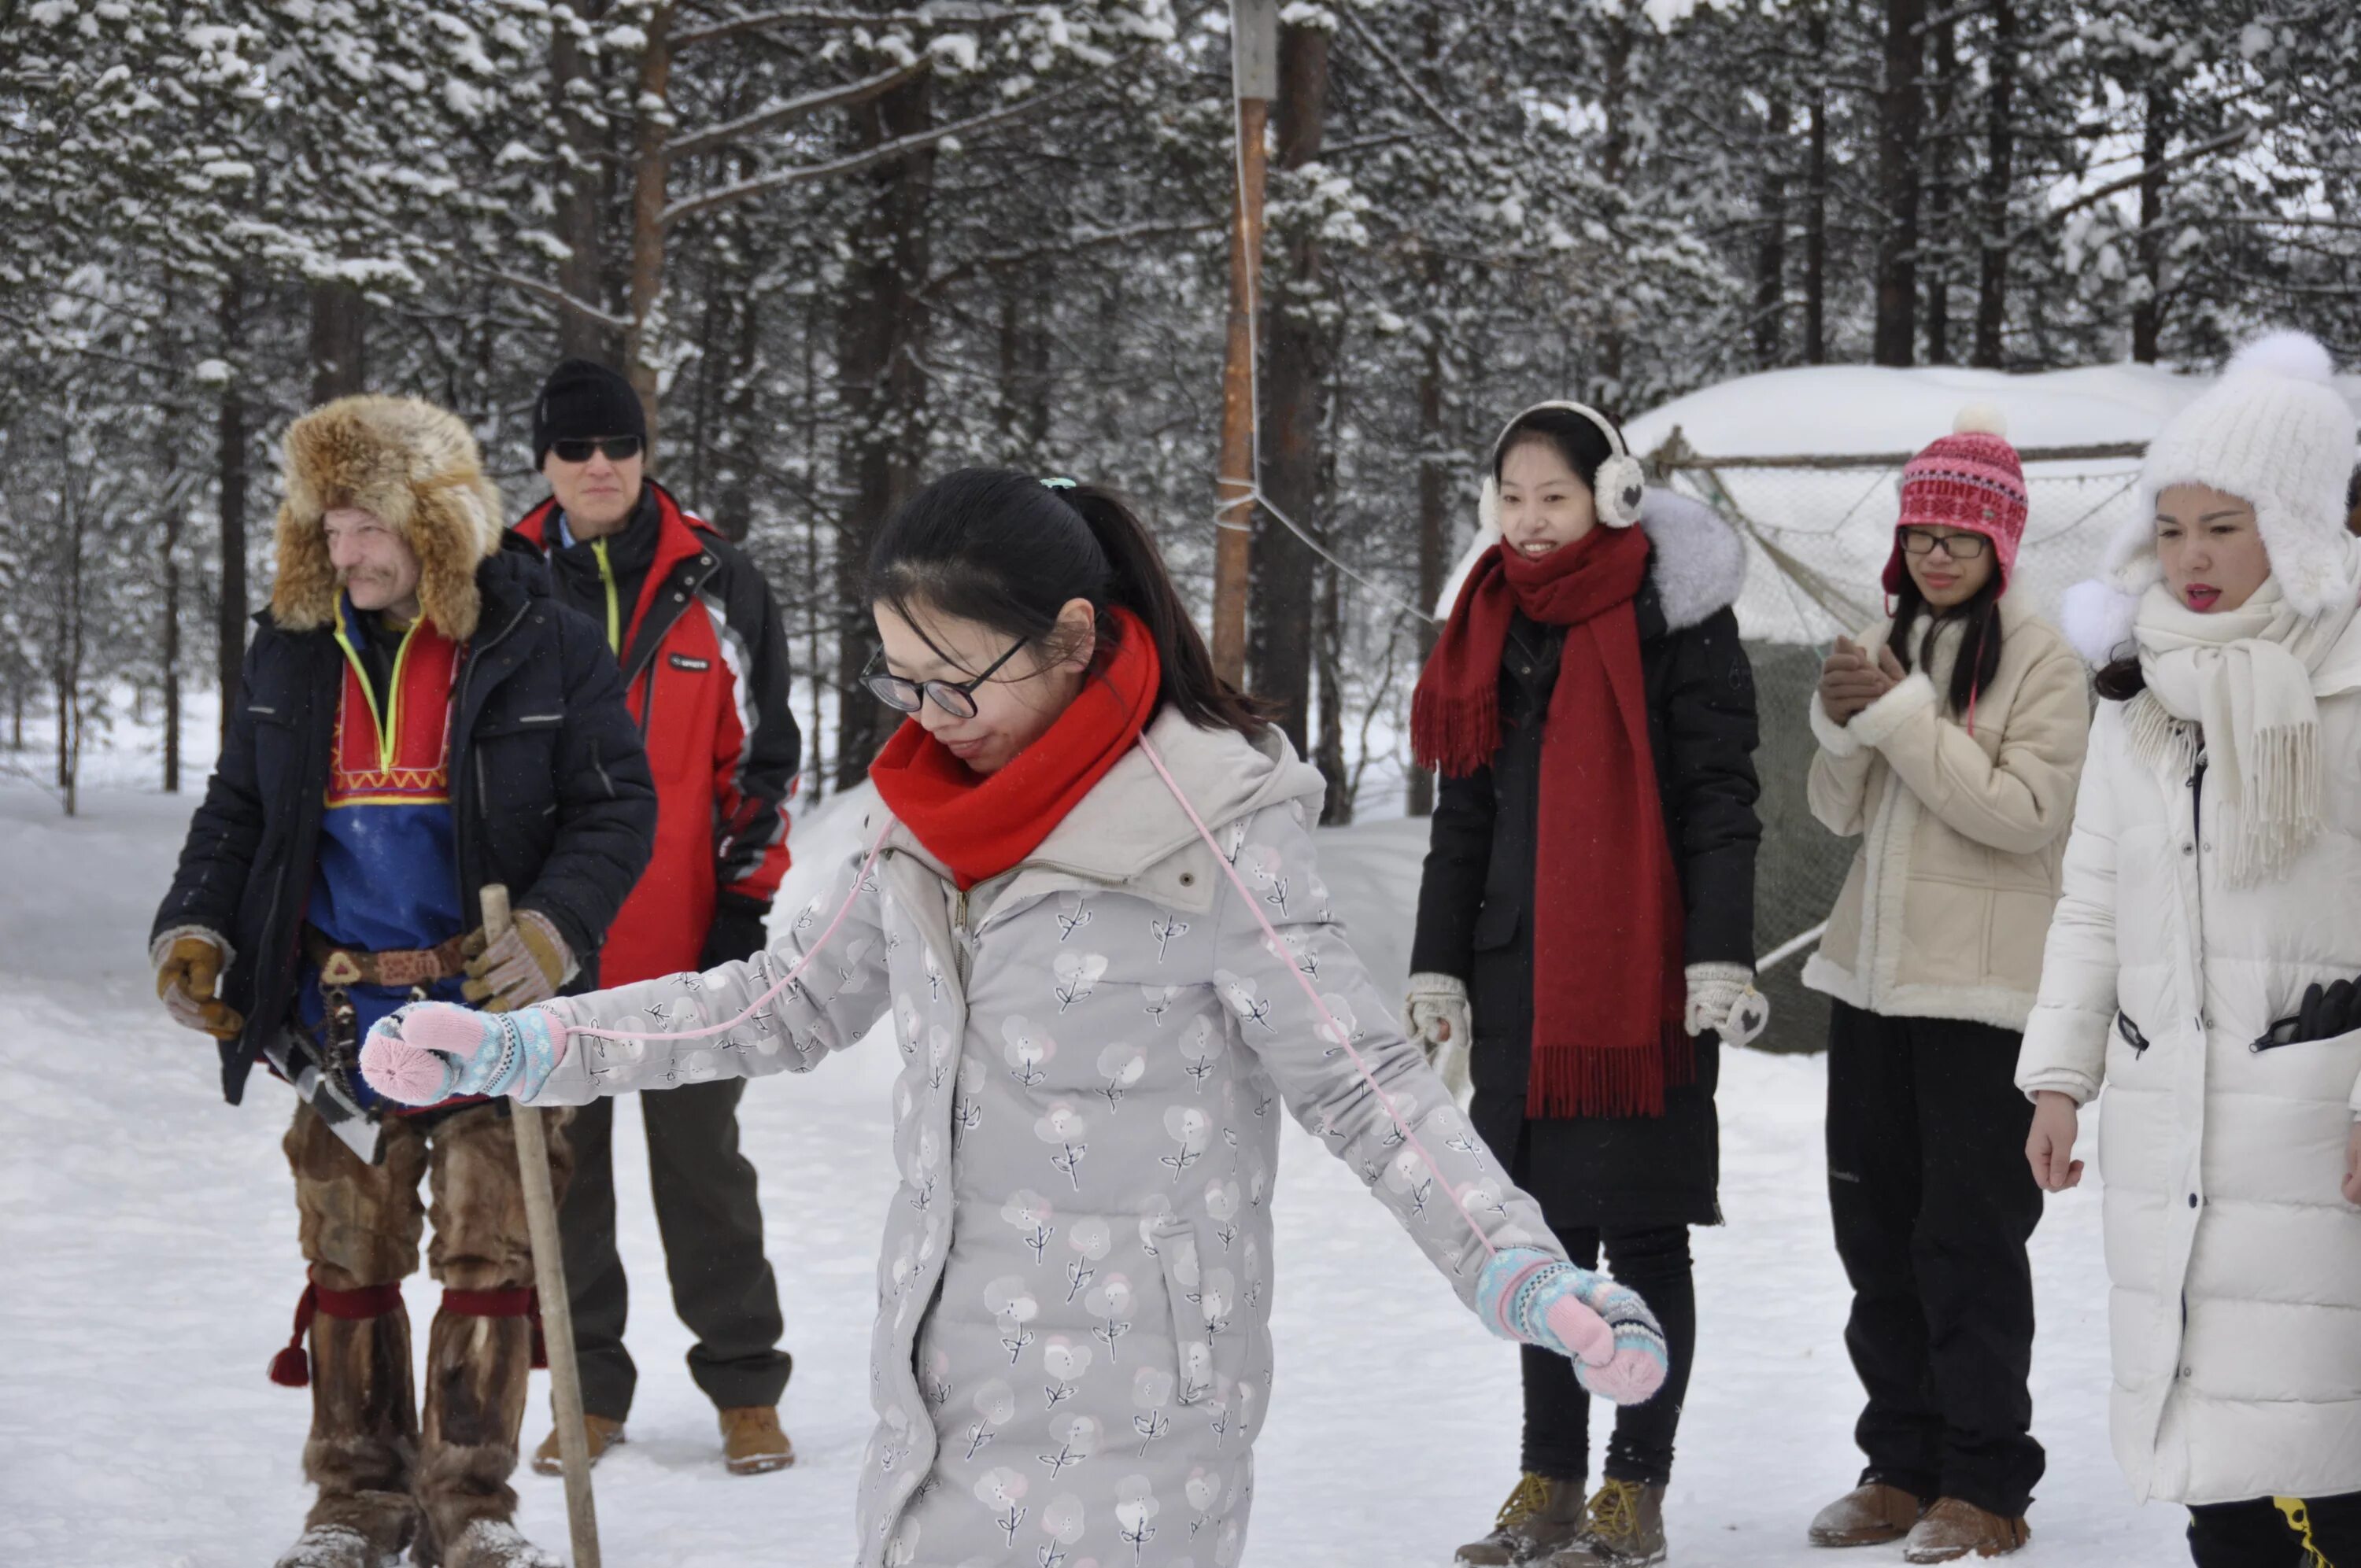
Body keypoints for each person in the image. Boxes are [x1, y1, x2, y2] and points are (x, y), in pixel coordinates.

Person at [360, 467, 1675, 1568]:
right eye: (898, 680)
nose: (930, 719)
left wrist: (1519, 1264)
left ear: (1072, 637)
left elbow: (1361, 1079)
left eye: (957, 681)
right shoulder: (919, 815)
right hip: (938, 1395)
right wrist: (537, 1043)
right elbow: (780, 998)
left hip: (1141, 1414)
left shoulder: (1212, 823)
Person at [149, 396, 656, 1568]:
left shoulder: (542, 632)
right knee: (348, 1253)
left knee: (494, 1252)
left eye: (366, 524)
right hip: (334, 1019)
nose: (344, 552)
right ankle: (357, 1501)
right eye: (326, 527)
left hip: (494, 1015)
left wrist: (554, 927)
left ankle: (471, 1505)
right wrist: (198, 929)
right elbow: (239, 814)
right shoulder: (290, 643)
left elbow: (617, 806)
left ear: (432, 520)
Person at [1404, 401, 1764, 1568]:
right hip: (1524, 981)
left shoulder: (1678, 616)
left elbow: (1721, 798)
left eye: (1553, 495)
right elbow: (1463, 811)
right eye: (1511, 497)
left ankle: (1634, 1490)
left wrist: (1718, 951)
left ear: (1612, 493)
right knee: (1537, 1248)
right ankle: (1548, 1479)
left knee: (1645, 1238)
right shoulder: (1487, 622)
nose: (1530, 520)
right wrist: (1437, 960)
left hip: (1645, 983)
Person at [2022, 331, 2361, 1568]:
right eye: (2171, 529)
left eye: (2225, 525)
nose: (2193, 557)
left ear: (2299, 523)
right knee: (2214, 1460)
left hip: (2316, 1128)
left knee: (2328, 1460)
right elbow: (2094, 898)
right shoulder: (2139, 690)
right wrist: (2060, 1074)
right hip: (2173, 1128)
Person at [1798, 408, 2090, 1563]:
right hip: (1872, 986)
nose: (1935, 554)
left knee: (1965, 1241)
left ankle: (1985, 1481)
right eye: (1921, 531)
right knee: (1872, 1233)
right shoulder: (1891, 635)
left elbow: (2022, 817)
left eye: (1959, 538)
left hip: (1984, 1001)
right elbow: (1837, 813)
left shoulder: (2047, 661)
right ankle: (1900, 1462)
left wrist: (1900, 713)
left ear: (2003, 546)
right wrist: (1839, 725)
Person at [508, 358, 804, 1477]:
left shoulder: (719, 579)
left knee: (705, 1175)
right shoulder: (502, 578)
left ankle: (745, 1384)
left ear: (645, 452)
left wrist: (742, 902)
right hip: (549, 948)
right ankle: (586, 1391)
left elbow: (764, 756)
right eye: (577, 448)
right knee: (563, 1178)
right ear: (544, 457)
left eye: (618, 446)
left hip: (688, 947)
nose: (600, 465)